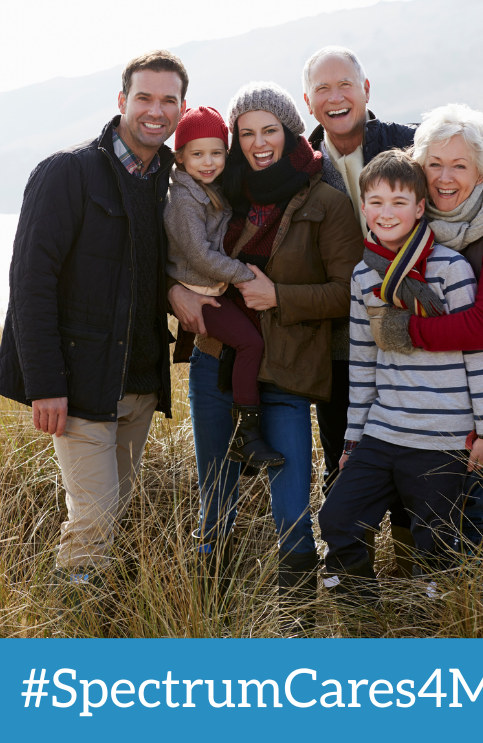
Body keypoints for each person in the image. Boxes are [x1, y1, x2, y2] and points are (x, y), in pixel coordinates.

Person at [302, 44, 483, 574]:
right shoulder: (305, 165)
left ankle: (427, 581)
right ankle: (358, 596)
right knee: (350, 470)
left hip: (435, 358)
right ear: (310, 101)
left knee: (437, 509)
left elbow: (468, 160)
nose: (336, 97)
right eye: (322, 89)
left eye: (346, 85)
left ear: (366, 91)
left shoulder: (405, 146)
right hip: (349, 328)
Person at [169, 81, 363, 632]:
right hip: (215, 360)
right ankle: (212, 615)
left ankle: (297, 623)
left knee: (292, 506)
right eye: (246, 133)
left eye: (269, 131)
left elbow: (348, 291)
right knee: (216, 493)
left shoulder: (324, 200)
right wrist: (172, 290)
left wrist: (280, 297)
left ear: (290, 131)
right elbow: (179, 246)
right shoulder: (222, 189)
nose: (258, 143)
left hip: (288, 369)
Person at [0, 50, 187, 591]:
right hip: (81, 389)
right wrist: (46, 385)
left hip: (139, 390)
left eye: (168, 100)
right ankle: (68, 633)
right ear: (123, 101)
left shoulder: (167, 183)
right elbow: (30, 283)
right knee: (93, 525)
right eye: (145, 98)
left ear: (181, 107)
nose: (156, 110)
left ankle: (94, 622)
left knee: (110, 521)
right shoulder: (68, 173)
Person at [318, 149, 483, 603]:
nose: (387, 213)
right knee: (337, 517)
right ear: (363, 208)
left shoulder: (450, 268)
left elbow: (477, 349)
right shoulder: (364, 276)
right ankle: (360, 607)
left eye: (399, 202)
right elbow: (363, 362)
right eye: (376, 202)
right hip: (383, 431)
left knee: (435, 541)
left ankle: (433, 618)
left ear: (420, 208)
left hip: (440, 436)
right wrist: (352, 439)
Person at [372, 103, 483, 565]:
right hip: (454, 369)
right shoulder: (414, 223)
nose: (445, 178)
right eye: (434, 164)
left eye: (460, 165)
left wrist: (405, 330)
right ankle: (480, 577)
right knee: (468, 476)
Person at [164, 105, 284, 468]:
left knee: (250, 341)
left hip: (212, 287)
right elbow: (200, 256)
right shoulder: (183, 198)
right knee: (250, 342)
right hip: (198, 290)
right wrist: (245, 274)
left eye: (216, 152)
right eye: (197, 154)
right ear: (180, 156)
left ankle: (244, 434)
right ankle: (247, 436)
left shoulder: (210, 188)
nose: (208, 162)